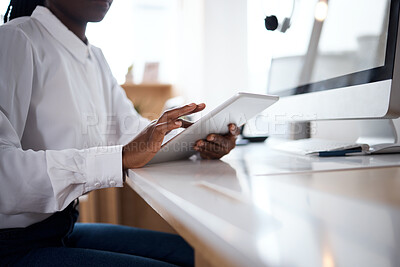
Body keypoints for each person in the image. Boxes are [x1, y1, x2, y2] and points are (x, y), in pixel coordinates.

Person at [0, 0, 240, 266]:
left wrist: (201, 142)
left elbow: (131, 132)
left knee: (196, 255)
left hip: (60, 230)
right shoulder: (14, 39)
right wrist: (121, 157)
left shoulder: (94, 57)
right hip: (12, 246)